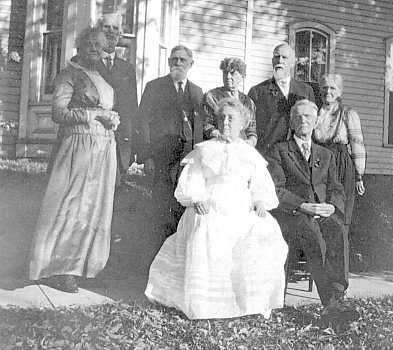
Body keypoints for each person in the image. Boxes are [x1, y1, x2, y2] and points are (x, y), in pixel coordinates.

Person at [145, 98, 288, 320]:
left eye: (231, 118)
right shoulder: (205, 150)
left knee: (264, 228)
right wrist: (196, 197)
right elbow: (193, 178)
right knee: (205, 225)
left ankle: (248, 300)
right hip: (211, 202)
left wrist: (260, 200)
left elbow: (260, 183)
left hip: (241, 204)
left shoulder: (250, 154)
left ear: (243, 123)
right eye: (222, 118)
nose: (226, 122)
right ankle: (205, 304)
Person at [29, 27, 120, 293]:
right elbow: (58, 113)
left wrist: (112, 118)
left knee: (94, 207)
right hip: (78, 146)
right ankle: (58, 268)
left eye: (99, 45)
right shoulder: (68, 75)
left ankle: (84, 265)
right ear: (79, 47)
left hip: (103, 148)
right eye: (89, 44)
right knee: (72, 203)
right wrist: (94, 115)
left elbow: (106, 111)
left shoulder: (101, 77)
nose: (94, 48)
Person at [267, 99, 359, 323]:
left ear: (316, 121)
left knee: (338, 231)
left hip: (322, 212)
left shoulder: (325, 154)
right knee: (314, 238)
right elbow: (275, 190)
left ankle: (338, 295)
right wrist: (302, 205)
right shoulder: (279, 151)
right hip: (293, 214)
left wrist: (331, 206)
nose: (303, 120)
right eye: (298, 117)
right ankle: (330, 304)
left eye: (308, 116)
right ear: (291, 122)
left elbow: (336, 188)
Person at [136, 45, 203, 237]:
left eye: (183, 60)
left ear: (191, 64)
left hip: (188, 159)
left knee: (184, 204)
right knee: (160, 206)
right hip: (161, 157)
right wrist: (146, 156)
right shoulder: (154, 87)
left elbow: (199, 125)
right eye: (174, 59)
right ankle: (158, 247)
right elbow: (142, 123)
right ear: (168, 62)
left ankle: (179, 245)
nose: (178, 63)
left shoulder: (197, 92)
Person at [314, 73, 366, 228]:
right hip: (319, 162)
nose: (328, 91)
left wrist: (359, 175)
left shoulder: (348, 114)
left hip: (340, 163)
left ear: (340, 92)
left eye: (332, 88)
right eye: (324, 88)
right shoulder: (315, 112)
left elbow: (357, 144)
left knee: (339, 209)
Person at [248, 43, 315, 155]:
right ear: (272, 61)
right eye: (276, 56)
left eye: (284, 57)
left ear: (293, 62)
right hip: (268, 153)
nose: (280, 60)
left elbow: (312, 123)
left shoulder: (305, 90)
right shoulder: (257, 92)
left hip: (297, 153)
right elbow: (249, 126)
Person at [96, 12, 138, 177]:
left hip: (119, 144)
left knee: (115, 195)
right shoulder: (83, 62)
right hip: (91, 141)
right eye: (106, 27)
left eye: (115, 28)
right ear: (98, 31)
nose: (111, 32)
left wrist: (132, 145)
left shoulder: (127, 69)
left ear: (120, 34)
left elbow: (132, 109)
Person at [202, 57, 257, 146]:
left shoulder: (248, 102)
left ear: (242, 76)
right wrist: (219, 135)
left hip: (241, 147)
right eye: (225, 73)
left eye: (232, 73)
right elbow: (207, 125)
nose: (228, 77)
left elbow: (252, 130)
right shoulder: (211, 96)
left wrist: (250, 142)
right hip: (218, 145)